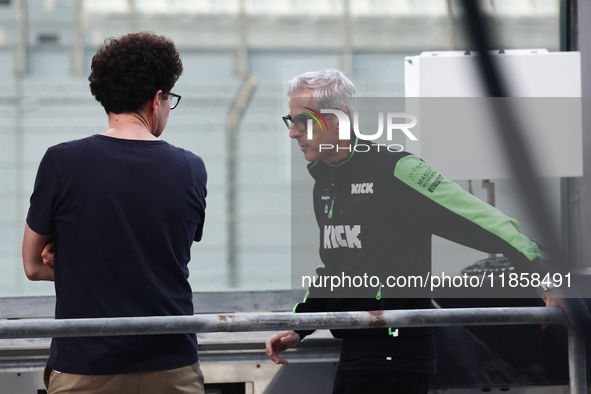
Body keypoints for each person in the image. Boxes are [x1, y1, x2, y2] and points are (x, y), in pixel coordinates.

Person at [265, 69, 588, 394]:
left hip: (396, 355)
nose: (293, 133)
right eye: (289, 120)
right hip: (357, 350)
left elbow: (487, 222)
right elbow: (335, 269)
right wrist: (301, 327)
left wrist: (547, 280)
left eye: (302, 122)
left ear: (337, 120)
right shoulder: (326, 182)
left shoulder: (395, 169)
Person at [22, 32, 207, 393]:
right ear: (158, 100)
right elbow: (161, 253)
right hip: (171, 364)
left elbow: (33, 266)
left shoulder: (62, 162)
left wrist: (77, 261)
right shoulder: (190, 168)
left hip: (85, 367)